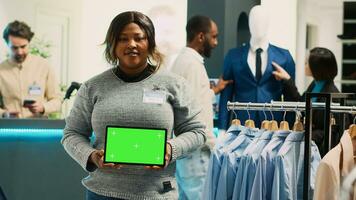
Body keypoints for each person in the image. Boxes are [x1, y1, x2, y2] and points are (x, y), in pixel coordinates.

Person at [61, 11, 207, 200]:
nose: (131, 44)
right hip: (102, 194)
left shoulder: (174, 84)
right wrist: (92, 156)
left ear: (150, 43)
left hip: (157, 194)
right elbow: (71, 134)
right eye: (123, 39)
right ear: (112, 45)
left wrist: (171, 149)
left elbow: (197, 132)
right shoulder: (92, 87)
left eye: (139, 38)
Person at [170, 15, 232, 200]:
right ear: (200, 36)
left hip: (185, 151)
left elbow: (192, 99)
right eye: (213, 36)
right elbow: (200, 112)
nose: (215, 42)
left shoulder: (182, 61)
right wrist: (215, 147)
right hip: (197, 152)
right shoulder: (193, 65)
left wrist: (214, 90)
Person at [218, 5, 296, 131]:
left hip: (273, 124)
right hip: (241, 123)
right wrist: (222, 128)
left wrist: (290, 127)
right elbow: (226, 96)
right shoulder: (233, 56)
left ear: (268, 24)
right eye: (254, 21)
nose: (257, 25)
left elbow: (291, 98)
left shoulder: (284, 57)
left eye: (262, 21)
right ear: (249, 23)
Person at [272, 47, 342, 154]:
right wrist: (287, 79)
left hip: (318, 152)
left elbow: (331, 132)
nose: (305, 65)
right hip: (310, 145)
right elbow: (301, 102)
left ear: (317, 68)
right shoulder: (314, 84)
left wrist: (305, 135)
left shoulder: (332, 94)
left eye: (307, 63)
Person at [0, 20, 61, 118]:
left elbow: (57, 101)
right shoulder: (1, 70)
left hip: (39, 128)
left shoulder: (44, 66)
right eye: (14, 48)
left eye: (23, 46)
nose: (19, 52)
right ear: (7, 44)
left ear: (29, 43)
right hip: (11, 128)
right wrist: (4, 113)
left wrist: (43, 107)